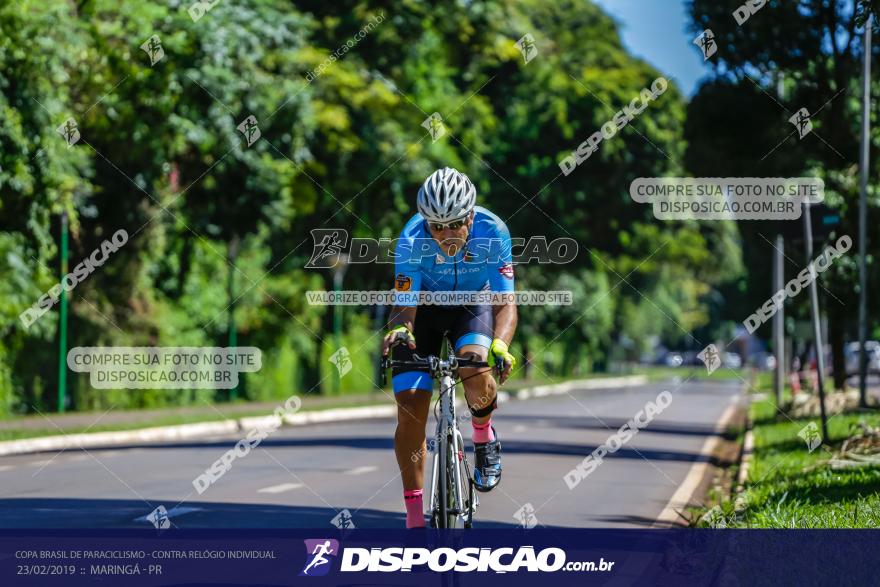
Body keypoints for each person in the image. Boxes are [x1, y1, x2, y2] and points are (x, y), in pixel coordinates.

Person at [380, 167, 518, 528]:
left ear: (470, 216)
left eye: (453, 224)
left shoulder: (494, 231)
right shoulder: (411, 238)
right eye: (435, 226)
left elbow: (506, 303)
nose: (443, 235)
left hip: (473, 305)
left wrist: (501, 346)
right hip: (423, 310)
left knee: (474, 367)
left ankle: (483, 436)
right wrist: (401, 333)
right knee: (410, 406)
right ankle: (413, 520)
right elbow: (404, 304)